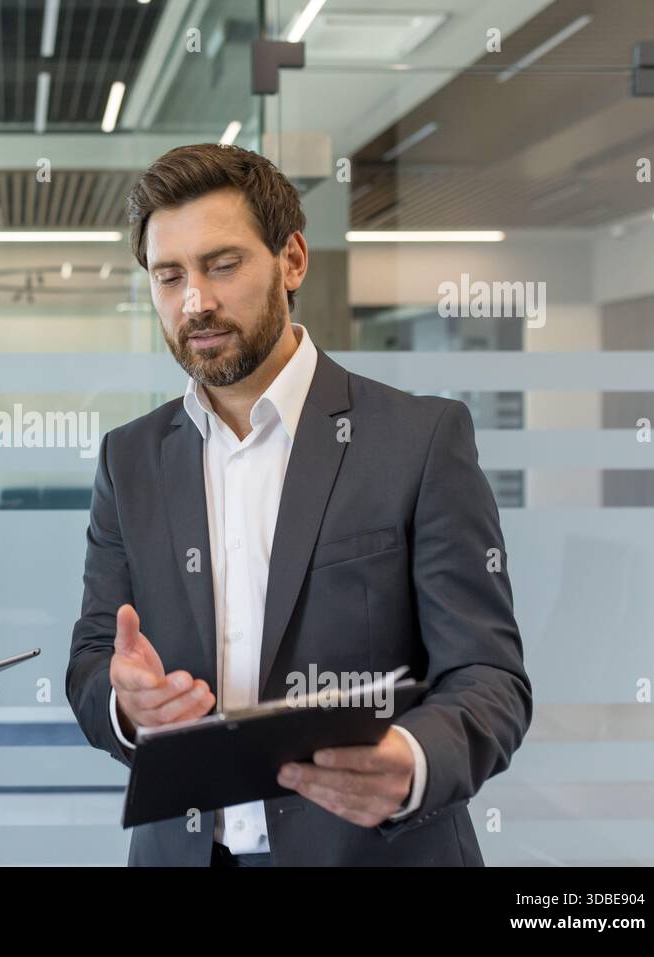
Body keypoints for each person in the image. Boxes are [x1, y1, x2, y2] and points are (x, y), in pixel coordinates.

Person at [67, 143, 532, 866]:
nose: (196, 301)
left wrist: (412, 758)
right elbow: (95, 657)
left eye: (222, 264)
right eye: (170, 276)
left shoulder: (420, 440)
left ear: (291, 260)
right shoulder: (130, 460)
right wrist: (126, 704)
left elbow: (488, 675)